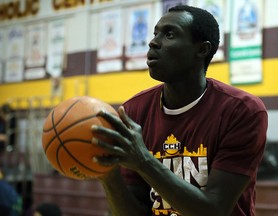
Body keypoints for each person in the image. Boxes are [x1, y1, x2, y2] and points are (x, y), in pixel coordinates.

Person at [91, 5, 268, 216]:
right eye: (155, 33)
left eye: (169, 34)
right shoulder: (134, 111)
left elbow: (214, 210)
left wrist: (144, 161)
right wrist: (109, 177)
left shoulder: (242, 111)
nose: (153, 42)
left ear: (201, 49)